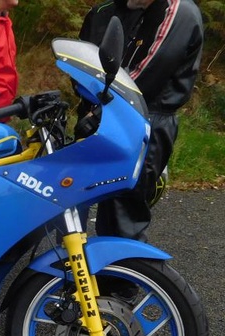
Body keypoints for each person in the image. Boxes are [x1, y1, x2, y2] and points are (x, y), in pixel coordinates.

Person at [79, 0, 204, 241]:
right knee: (111, 210)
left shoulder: (177, 10)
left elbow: (145, 74)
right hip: (130, 115)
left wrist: (99, 107)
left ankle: (127, 275)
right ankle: (99, 272)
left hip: (147, 119)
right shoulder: (142, 12)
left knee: (124, 215)